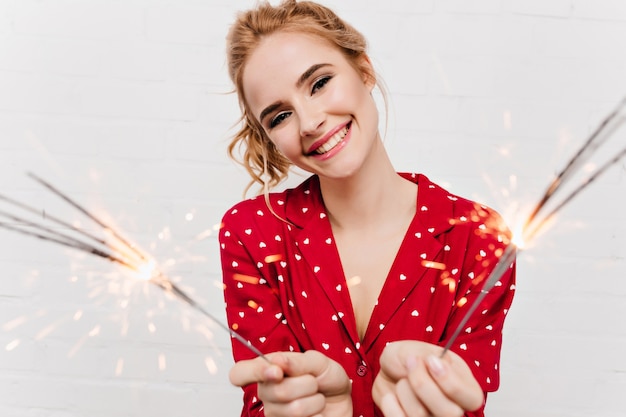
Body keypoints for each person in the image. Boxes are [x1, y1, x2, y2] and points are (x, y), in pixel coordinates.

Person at [218, 1, 516, 416]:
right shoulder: (251, 232)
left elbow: (468, 398)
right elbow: (261, 400)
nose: (308, 122)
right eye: (280, 116)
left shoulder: (478, 235)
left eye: (319, 83)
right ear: (269, 137)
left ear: (364, 70)